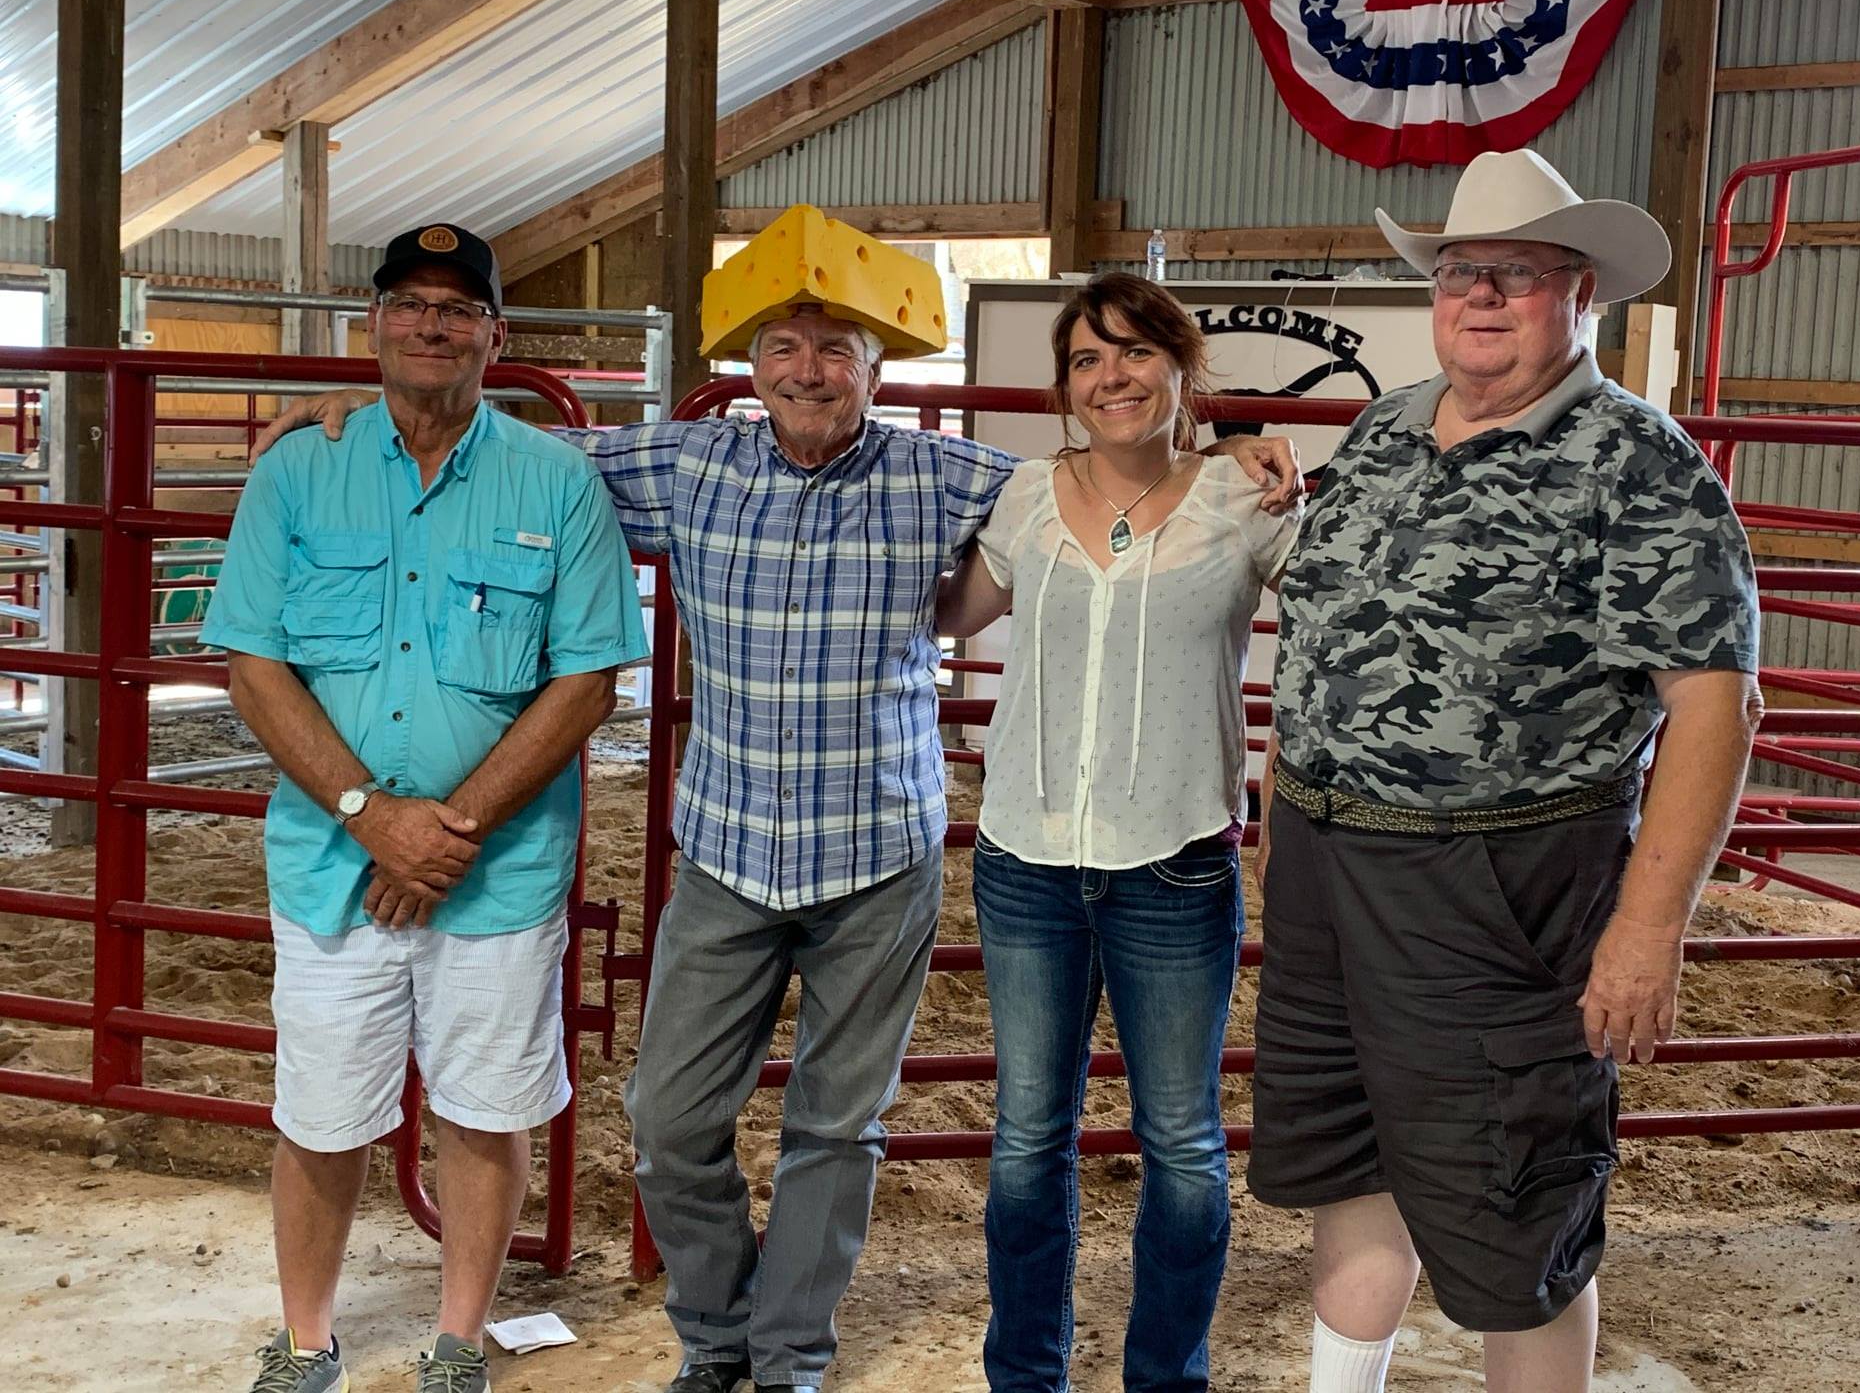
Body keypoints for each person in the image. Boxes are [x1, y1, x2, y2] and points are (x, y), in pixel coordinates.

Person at [250, 206, 1300, 1393]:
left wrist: (1236, 447)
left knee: (837, 1130)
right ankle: (719, 1329)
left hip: (877, 853)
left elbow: (1112, 474)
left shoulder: (950, 476)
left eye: (838, 344)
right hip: (727, 850)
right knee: (667, 1118)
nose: (810, 368)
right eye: (787, 345)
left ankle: (788, 1355)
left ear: (877, 365)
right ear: (749, 365)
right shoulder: (677, 462)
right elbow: (489, 460)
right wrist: (336, 423)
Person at [1252, 150, 1764, 1393]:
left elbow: (1714, 701)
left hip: (1499, 879)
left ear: (1580, 293)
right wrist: (1281, 799)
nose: (1482, 296)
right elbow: (1327, 623)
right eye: (1462, 272)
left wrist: (1648, 930)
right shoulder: (1383, 426)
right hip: (1329, 860)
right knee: (1350, 1160)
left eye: (1518, 275)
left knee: (1511, 1204)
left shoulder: (1636, 462)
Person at [203, 222, 650, 1393]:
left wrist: (444, 830)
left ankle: (458, 1342)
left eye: (458, 309)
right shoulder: (298, 468)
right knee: (321, 1111)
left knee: (486, 1109)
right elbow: (252, 666)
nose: (433, 324)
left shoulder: (556, 478)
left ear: (496, 336)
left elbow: (589, 676)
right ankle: (306, 1341)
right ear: (375, 325)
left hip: (492, 873)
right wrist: (369, 814)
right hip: (331, 861)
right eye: (410, 303)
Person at [935, 273, 1301, 1393]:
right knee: (1025, 1138)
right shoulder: (1025, 500)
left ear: (1183, 372)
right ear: (1064, 387)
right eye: (1089, 360)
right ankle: (1025, 1376)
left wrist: (1258, 446)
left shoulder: (1250, 502)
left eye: (1137, 353)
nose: (1113, 378)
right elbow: (949, 613)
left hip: (1177, 861)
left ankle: (1165, 1376)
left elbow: (1334, 641)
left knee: (1184, 1147)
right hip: (1027, 860)